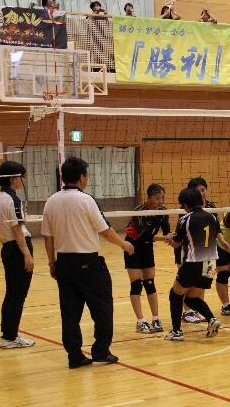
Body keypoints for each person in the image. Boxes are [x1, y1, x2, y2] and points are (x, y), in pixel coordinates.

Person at [42, 157, 134, 369]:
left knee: (70, 313)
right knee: (102, 308)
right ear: (82, 177)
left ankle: (74, 356)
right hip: (88, 263)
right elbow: (105, 231)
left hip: (64, 263)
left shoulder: (51, 201)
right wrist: (124, 245)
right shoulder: (86, 200)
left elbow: (48, 236)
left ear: (63, 177)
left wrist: (51, 263)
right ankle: (101, 351)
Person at [164, 188, 224, 341]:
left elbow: (177, 243)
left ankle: (176, 332)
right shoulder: (212, 217)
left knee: (175, 294)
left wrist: (170, 239)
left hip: (193, 263)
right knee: (190, 298)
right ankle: (211, 319)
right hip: (211, 264)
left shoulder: (185, 219)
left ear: (185, 204)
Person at [0, 161, 34, 349]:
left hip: (8, 248)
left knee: (12, 294)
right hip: (17, 249)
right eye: (21, 177)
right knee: (18, 295)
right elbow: (17, 229)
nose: (23, 180)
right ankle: (9, 337)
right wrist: (27, 254)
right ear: (12, 178)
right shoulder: (12, 199)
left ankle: (8, 335)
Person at [124, 183, 170, 334]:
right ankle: (141, 321)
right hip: (133, 246)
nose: (160, 201)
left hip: (147, 247)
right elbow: (144, 235)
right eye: (157, 198)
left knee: (150, 283)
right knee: (136, 284)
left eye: (162, 198)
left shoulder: (162, 211)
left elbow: (167, 231)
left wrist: (172, 238)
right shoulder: (139, 211)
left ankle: (156, 318)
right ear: (148, 197)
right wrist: (164, 238)